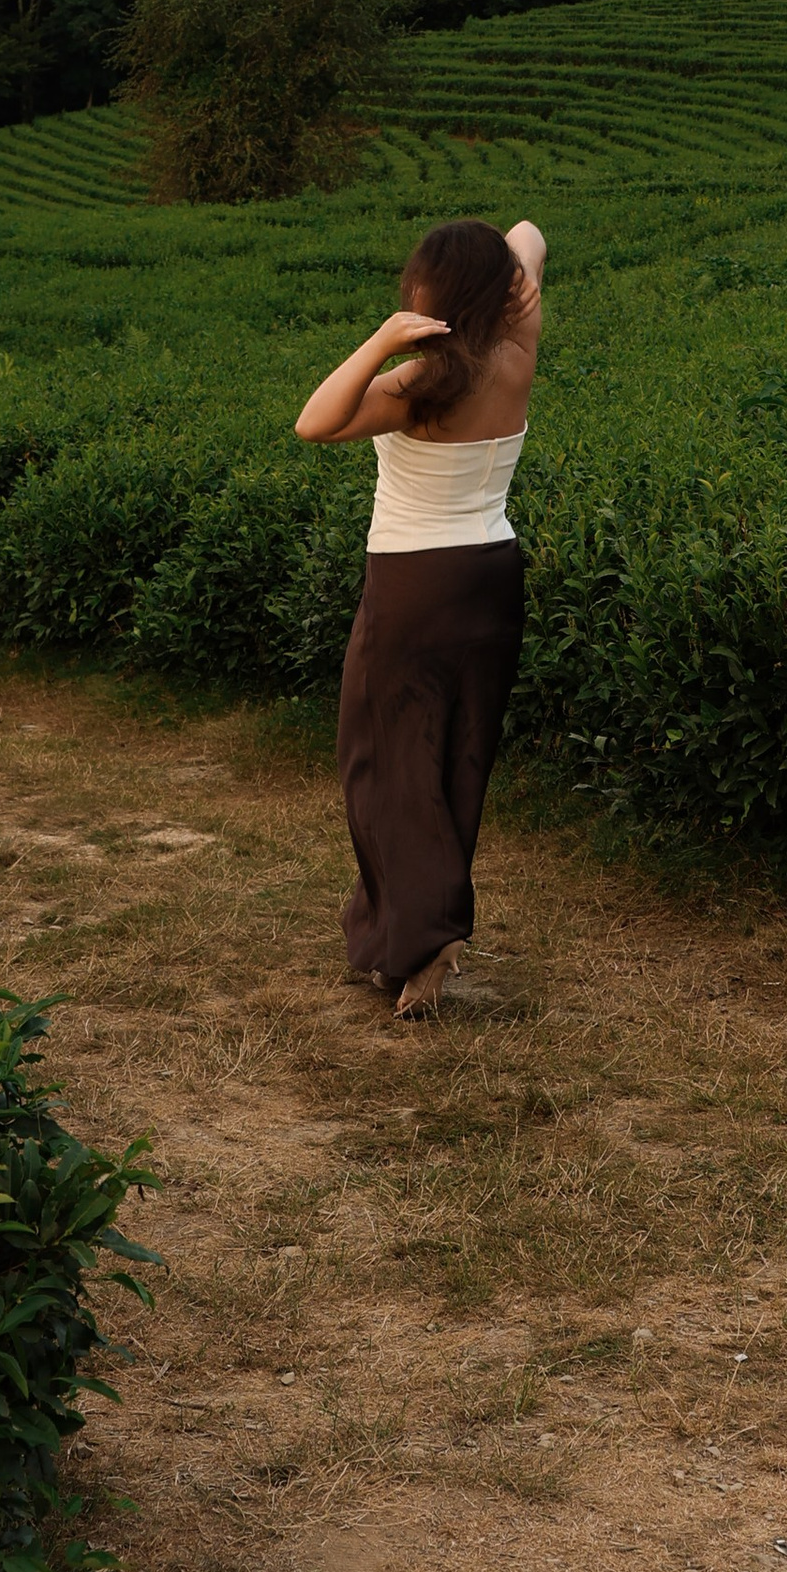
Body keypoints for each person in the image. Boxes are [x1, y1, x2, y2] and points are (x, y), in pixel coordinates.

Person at [293, 214, 546, 1020]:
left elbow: (314, 422)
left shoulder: (421, 382)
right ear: (504, 291)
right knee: (458, 757)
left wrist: (384, 339)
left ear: (434, 295)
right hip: (492, 574)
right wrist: (515, 271)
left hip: (412, 583)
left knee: (388, 764)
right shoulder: (517, 353)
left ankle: (424, 942)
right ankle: (417, 932)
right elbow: (530, 232)